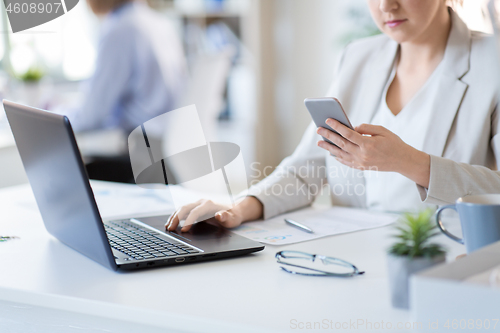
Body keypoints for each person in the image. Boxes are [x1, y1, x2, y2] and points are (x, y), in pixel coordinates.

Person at [167, 0, 500, 232]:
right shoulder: (359, 57)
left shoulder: (492, 63)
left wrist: (409, 161)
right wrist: (237, 209)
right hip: (352, 260)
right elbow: (308, 167)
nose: (386, 5)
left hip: (444, 261)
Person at [68, 0, 187, 135]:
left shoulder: (120, 29)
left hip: (142, 144)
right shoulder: (162, 23)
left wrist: (60, 114)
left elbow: (91, 117)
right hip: (170, 139)